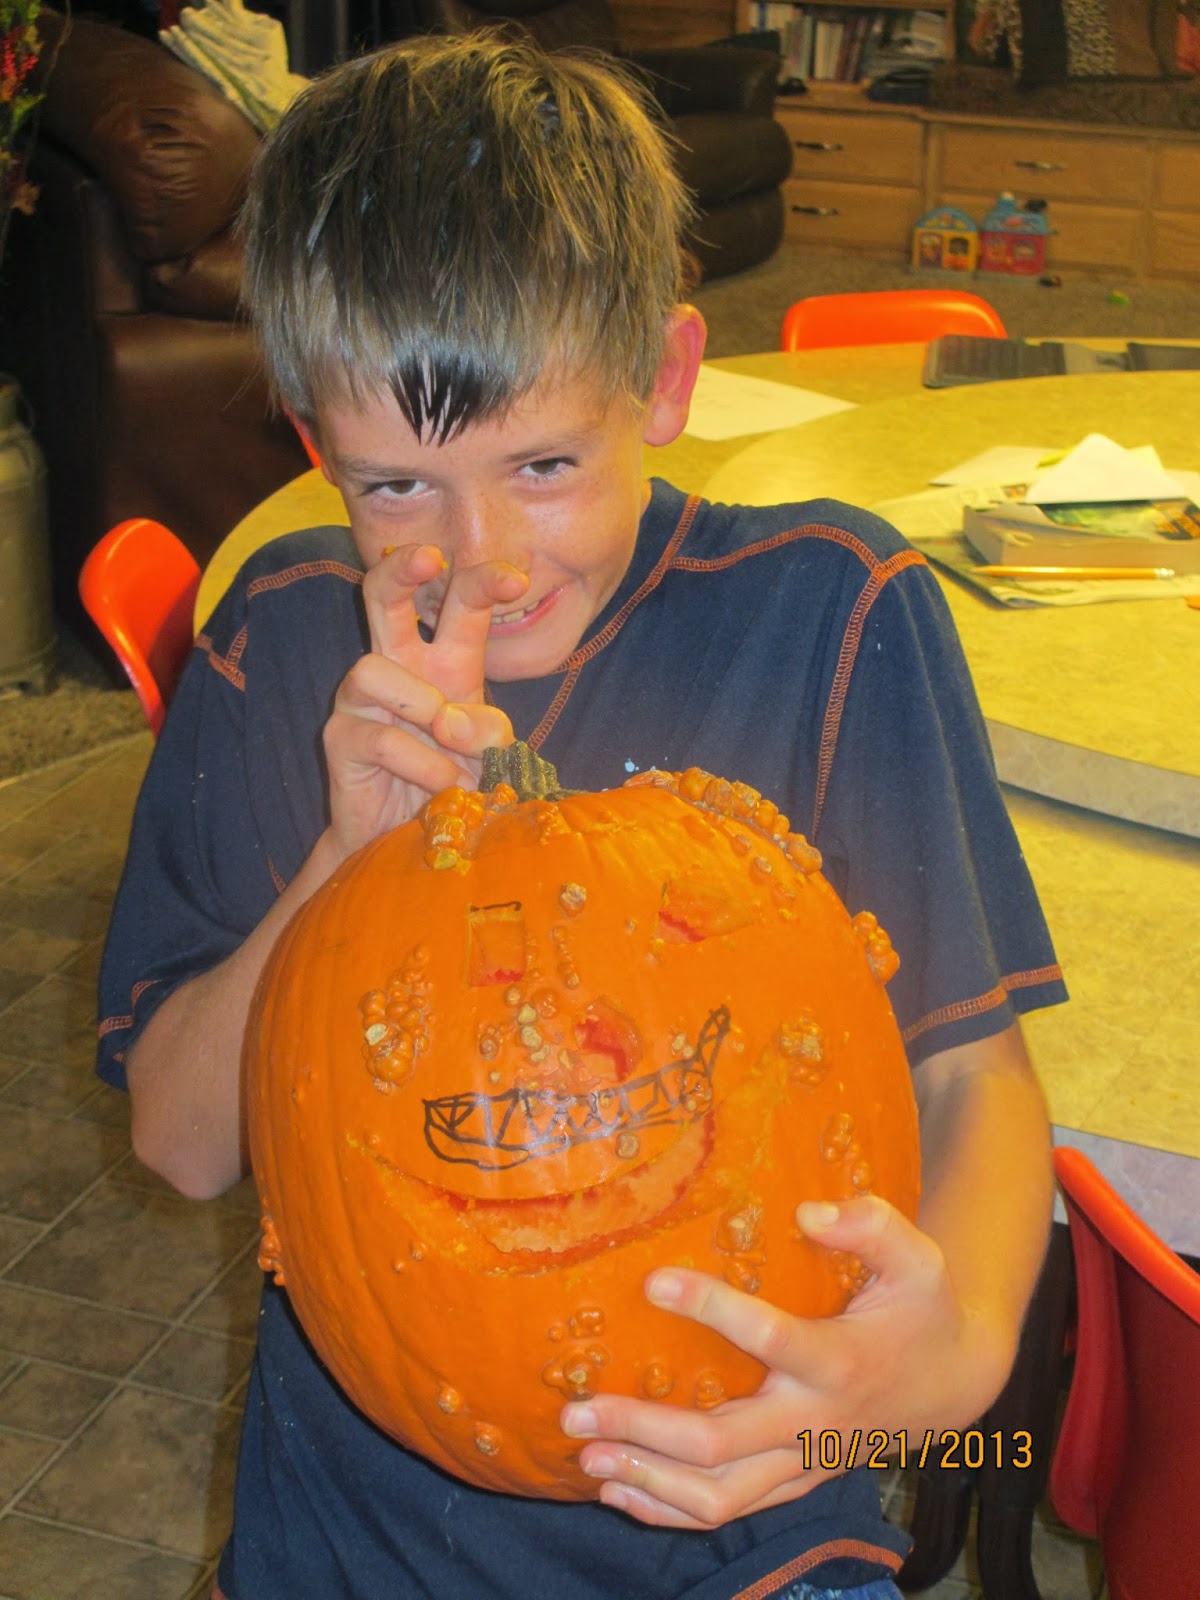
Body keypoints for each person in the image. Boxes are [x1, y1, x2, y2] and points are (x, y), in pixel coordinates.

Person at [96, 28, 1066, 1600]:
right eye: (396, 486)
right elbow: (183, 1146)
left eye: (543, 463)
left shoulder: (831, 613)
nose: (483, 556)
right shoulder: (283, 644)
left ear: (663, 380)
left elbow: (976, 1078)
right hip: (359, 1550)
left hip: (757, 1521)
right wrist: (349, 855)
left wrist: (942, 1367)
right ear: (315, 443)